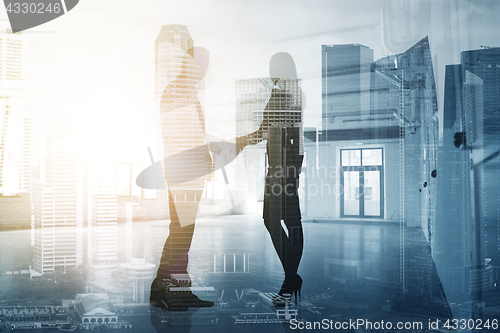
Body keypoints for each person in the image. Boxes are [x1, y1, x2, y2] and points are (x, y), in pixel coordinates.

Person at [236, 52, 304, 302]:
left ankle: (291, 278)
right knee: (282, 219)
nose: (270, 72)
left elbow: (268, 130)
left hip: (282, 166)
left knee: (282, 219)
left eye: (274, 67)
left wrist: (242, 141)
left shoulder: (284, 94)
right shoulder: (292, 93)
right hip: (282, 165)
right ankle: (291, 276)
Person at [150, 46, 214, 311]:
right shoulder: (177, 92)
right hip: (183, 171)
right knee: (180, 233)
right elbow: (175, 135)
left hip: (191, 171)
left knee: (183, 233)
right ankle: (165, 289)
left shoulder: (189, 92)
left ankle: (176, 289)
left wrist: (206, 162)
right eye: (201, 64)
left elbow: (197, 133)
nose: (205, 70)